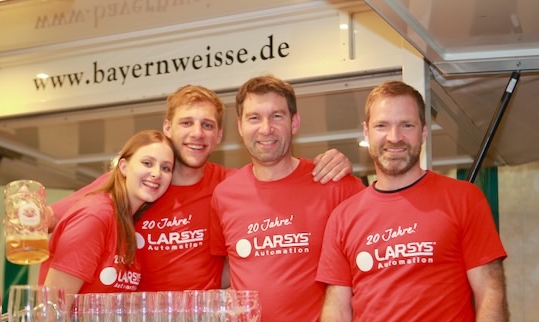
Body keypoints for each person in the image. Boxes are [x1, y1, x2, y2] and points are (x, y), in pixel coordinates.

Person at [316, 80, 510, 322]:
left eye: (406, 125)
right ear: (366, 132)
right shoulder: (343, 216)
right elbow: (336, 311)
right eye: (382, 125)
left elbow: (491, 294)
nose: (394, 137)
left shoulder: (464, 199)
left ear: (423, 132)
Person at [48, 85, 353, 291]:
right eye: (186, 123)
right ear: (167, 128)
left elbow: (278, 183)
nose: (197, 133)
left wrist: (334, 162)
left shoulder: (232, 187)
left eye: (207, 125)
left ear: (219, 134)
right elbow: (46, 217)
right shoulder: (138, 183)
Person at [209, 75, 366, 322]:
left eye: (276, 116)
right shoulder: (224, 195)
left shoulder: (333, 184)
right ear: (240, 126)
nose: (265, 128)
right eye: (254, 117)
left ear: (294, 122)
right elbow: (226, 273)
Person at [39, 129, 175, 295]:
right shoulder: (96, 215)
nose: (156, 173)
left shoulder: (127, 223)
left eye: (166, 168)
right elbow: (53, 304)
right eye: (147, 163)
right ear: (124, 167)